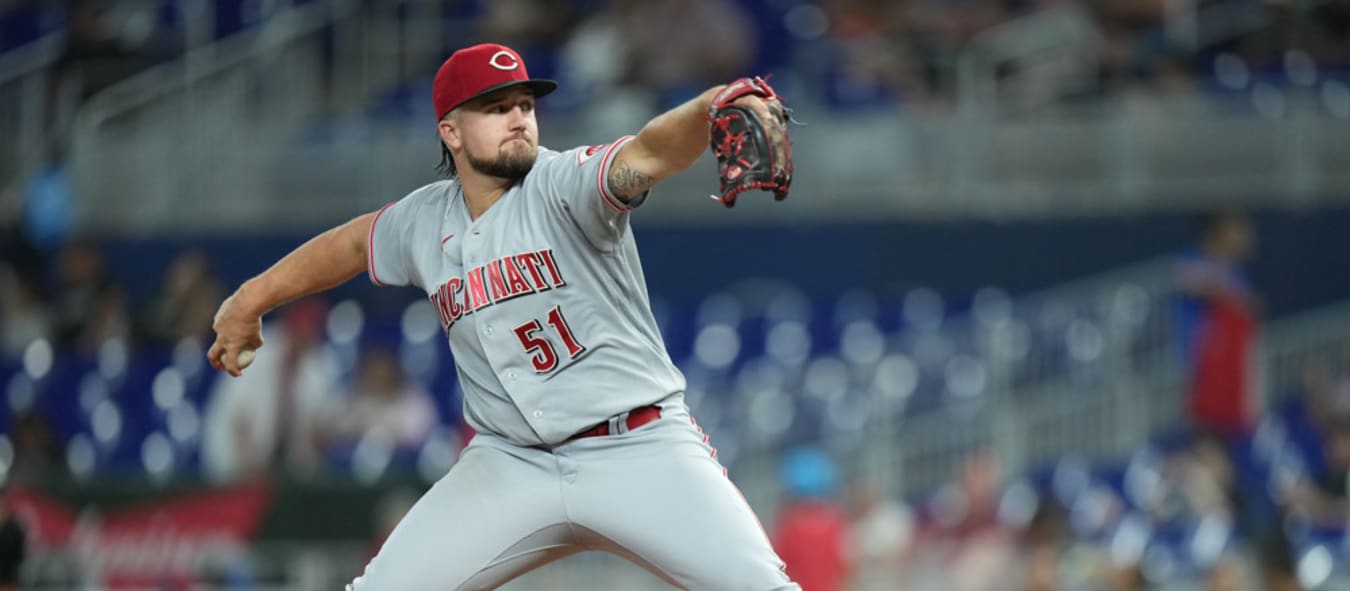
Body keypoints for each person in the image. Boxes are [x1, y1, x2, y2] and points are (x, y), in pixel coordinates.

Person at [208, 43, 798, 590]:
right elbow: (347, 247)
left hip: (637, 446)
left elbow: (647, 151)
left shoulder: (564, 183)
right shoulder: (423, 220)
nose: (519, 117)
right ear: (452, 131)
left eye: (524, 104)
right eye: (495, 108)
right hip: (511, 464)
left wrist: (710, 105)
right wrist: (248, 301)